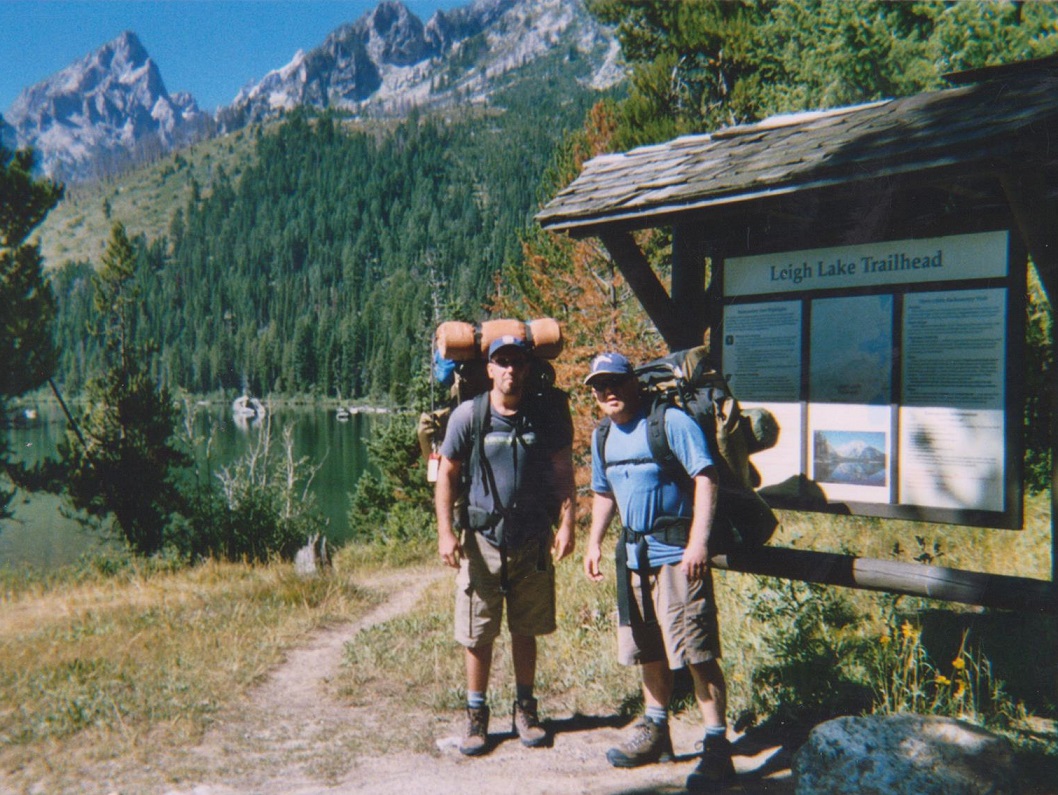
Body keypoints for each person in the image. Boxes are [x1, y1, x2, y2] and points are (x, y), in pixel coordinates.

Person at [582, 351, 735, 791]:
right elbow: (604, 491)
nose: (606, 390)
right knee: (647, 649)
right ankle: (656, 731)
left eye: (614, 381)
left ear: (633, 382)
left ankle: (716, 746)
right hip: (633, 559)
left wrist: (698, 543)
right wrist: (594, 541)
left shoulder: (670, 422)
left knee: (697, 651)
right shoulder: (603, 436)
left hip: (675, 555)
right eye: (598, 384)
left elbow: (705, 477)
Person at [435, 335, 576, 756]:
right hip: (482, 541)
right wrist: (446, 532)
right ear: (490, 369)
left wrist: (567, 524)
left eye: (517, 361)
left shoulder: (543, 417)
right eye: (502, 362)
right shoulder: (468, 416)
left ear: (528, 368)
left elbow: (563, 471)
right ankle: (477, 718)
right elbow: (447, 475)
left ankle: (525, 710)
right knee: (478, 631)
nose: (510, 369)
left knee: (525, 627)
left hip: (532, 538)